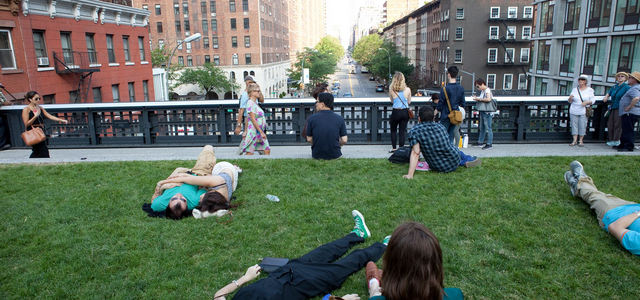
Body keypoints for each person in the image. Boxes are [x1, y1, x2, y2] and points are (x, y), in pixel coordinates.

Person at [213, 210, 388, 300]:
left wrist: (244, 278)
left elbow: (218, 296)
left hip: (285, 271)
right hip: (304, 283)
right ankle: (385, 245)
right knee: (346, 265)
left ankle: (358, 234)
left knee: (326, 250)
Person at [364, 222, 464, 300]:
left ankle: (374, 284)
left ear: (391, 267)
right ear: (436, 265)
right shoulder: (455, 295)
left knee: (375, 293)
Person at [563, 161, 639, 255]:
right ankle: (576, 186)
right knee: (603, 195)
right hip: (632, 206)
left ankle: (581, 179)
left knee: (593, 195)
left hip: (613, 213)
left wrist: (637, 214)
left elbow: (615, 227)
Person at [151, 145, 240, 219]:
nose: (179, 195)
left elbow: (153, 202)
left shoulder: (159, 204)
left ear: (167, 206)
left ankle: (233, 169)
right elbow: (187, 179)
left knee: (179, 170)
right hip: (202, 173)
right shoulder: (195, 201)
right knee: (208, 148)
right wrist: (167, 181)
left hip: (213, 178)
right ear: (186, 208)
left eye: (174, 199)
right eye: (183, 200)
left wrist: (159, 187)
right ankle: (234, 168)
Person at [404, 106, 480, 178]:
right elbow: (447, 145)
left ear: (419, 118)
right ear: (433, 118)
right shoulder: (440, 126)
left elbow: (415, 153)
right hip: (454, 160)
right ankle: (468, 159)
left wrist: (410, 175)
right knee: (457, 151)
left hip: (437, 166)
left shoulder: (415, 131)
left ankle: (464, 161)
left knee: (445, 154)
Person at [21, 91, 68, 158]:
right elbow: (26, 124)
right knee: (40, 149)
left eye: (39, 98)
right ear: (30, 99)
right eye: (36, 99)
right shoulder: (26, 109)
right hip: (33, 131)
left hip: (40, 131)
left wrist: (61, 120)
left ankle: (36, 162)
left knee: (39, 150)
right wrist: (35, 116)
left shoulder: (39, 108)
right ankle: (40, 161)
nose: (38, 100)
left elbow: (49, 116)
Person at [306, 92, 348, 159]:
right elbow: (344, 140)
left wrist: (318, 144)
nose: (316, 104)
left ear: (322, 104)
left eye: (317, 102)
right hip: (335, 155)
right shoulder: (339, 118)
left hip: (317, 155)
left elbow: (309, 139)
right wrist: (337, 145)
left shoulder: (311, 118)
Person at [238, 83, 270, 155]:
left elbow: (249, 118)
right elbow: (252, 119)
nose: (259, 93)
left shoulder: (254, 103)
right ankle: (246, 164)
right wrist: (261, 132)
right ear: (252, 92)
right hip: (254, 132)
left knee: (266, 149)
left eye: (259, 91)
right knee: (250, 152)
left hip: (258, 131)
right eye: (257, 91)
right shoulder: (250, 103)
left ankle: (264, 164)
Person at [436, 66, 465, 145]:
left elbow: (440, 104)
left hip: (445, 115)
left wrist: (435, 111)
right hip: (455, 115)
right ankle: (451, 152)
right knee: (451, 136)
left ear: (448, 74)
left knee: (443, 136)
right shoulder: (461, 88)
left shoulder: (445, 89)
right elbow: (463, 103)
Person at [602, 72, 630, 147]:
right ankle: (611, 139)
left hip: (621, 108)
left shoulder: (627, 87)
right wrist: (606, 96)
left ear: (625, 78)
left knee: (618, 124)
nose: (620, 77)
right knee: (610, 124)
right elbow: (609, 93)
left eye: (622, 76)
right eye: (619, 76)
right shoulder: (614, 87)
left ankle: (616, 140)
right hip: (613, 107)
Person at [567, 74, 595, 147]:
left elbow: (593, 100)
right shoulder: (574, 89)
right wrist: (570, 98)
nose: (580, 81)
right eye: (579, 80)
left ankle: (581, 140)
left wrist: (586, 102)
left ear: (586, 81)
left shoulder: (590, 90)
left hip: (583, 110)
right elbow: (570, 101)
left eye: (582, 80)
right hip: (574, 109)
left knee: (582, 125)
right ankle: (574, 140)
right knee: (574, 125)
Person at [388, 72, 412, 153]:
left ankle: (394, 148)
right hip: (405, 112)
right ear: (403, 79)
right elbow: (409, 102)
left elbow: (392, 101)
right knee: (402, 131)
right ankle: (401, 148)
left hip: (396, 112)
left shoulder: (391, 89)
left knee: (393, 130)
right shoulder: (408, 89)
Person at [616, 71, 640, 152]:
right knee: (626, 129)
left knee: (628, 129)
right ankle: (623, 145)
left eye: (630, 78)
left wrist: (629, 107)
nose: (628, 79)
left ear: (635, 80)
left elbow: (636, 98)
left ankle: (628, 146)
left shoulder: (635, 88)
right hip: (629, 112)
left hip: (630, 112)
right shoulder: (634, 87)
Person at [472, 78, 495, 150]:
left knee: (488, 128)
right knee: (482, 127)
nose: (478, 88)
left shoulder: (487, 90)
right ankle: (480, 142)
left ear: (482, 84)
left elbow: (488, 99)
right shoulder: (483, 91)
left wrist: (478, 99)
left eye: (478, 86)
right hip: (483, 111)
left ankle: (489, 143)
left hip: (487, 112)